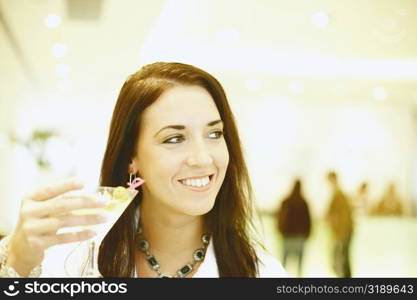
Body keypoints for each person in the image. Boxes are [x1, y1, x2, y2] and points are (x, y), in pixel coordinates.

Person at [0, 62, 287, 278]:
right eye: (174, 138)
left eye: (214, 134)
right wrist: (18, 264)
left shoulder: (263, 273)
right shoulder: (72, 259)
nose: (203, 159)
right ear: (130, 158)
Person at [276, 178, 311, 277]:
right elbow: (308, 221)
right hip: (300, 237)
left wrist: (281, 232)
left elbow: (279, 217)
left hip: (287, 236)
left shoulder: (286, 201)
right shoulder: (304, 203)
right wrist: (307, 235)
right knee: (299, 264)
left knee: (284, 262)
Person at [325, 171, 353, 278]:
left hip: (342, 232)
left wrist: (341, 233)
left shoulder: (338, 194)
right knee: (342, 259)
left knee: (341, 259)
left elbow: (342, 216)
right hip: (342, 232)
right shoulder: (337, 193)